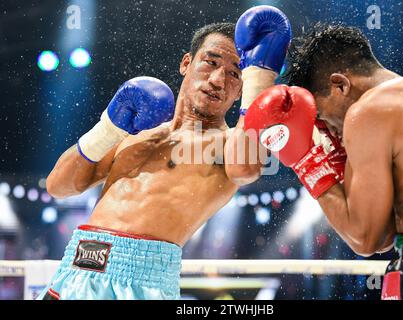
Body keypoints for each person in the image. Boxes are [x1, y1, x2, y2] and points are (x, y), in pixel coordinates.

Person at [38, 6, 292, 300]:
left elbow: (246, 169)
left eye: (235, 74)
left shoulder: (229, 143)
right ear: (186, 63)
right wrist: (107, 128)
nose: (218, 80)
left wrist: (259, 78)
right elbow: (59, 186)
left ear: (241, 90)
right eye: (210, 62)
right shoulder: (135, 133)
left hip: (140, 284)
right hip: (72, 274)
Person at [243, 24, 403, 300]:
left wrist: (307, 162)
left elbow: (366, 239)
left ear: (340, 84)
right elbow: (385, 234)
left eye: (326, 120)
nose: (333, 133)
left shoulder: (368, 112)